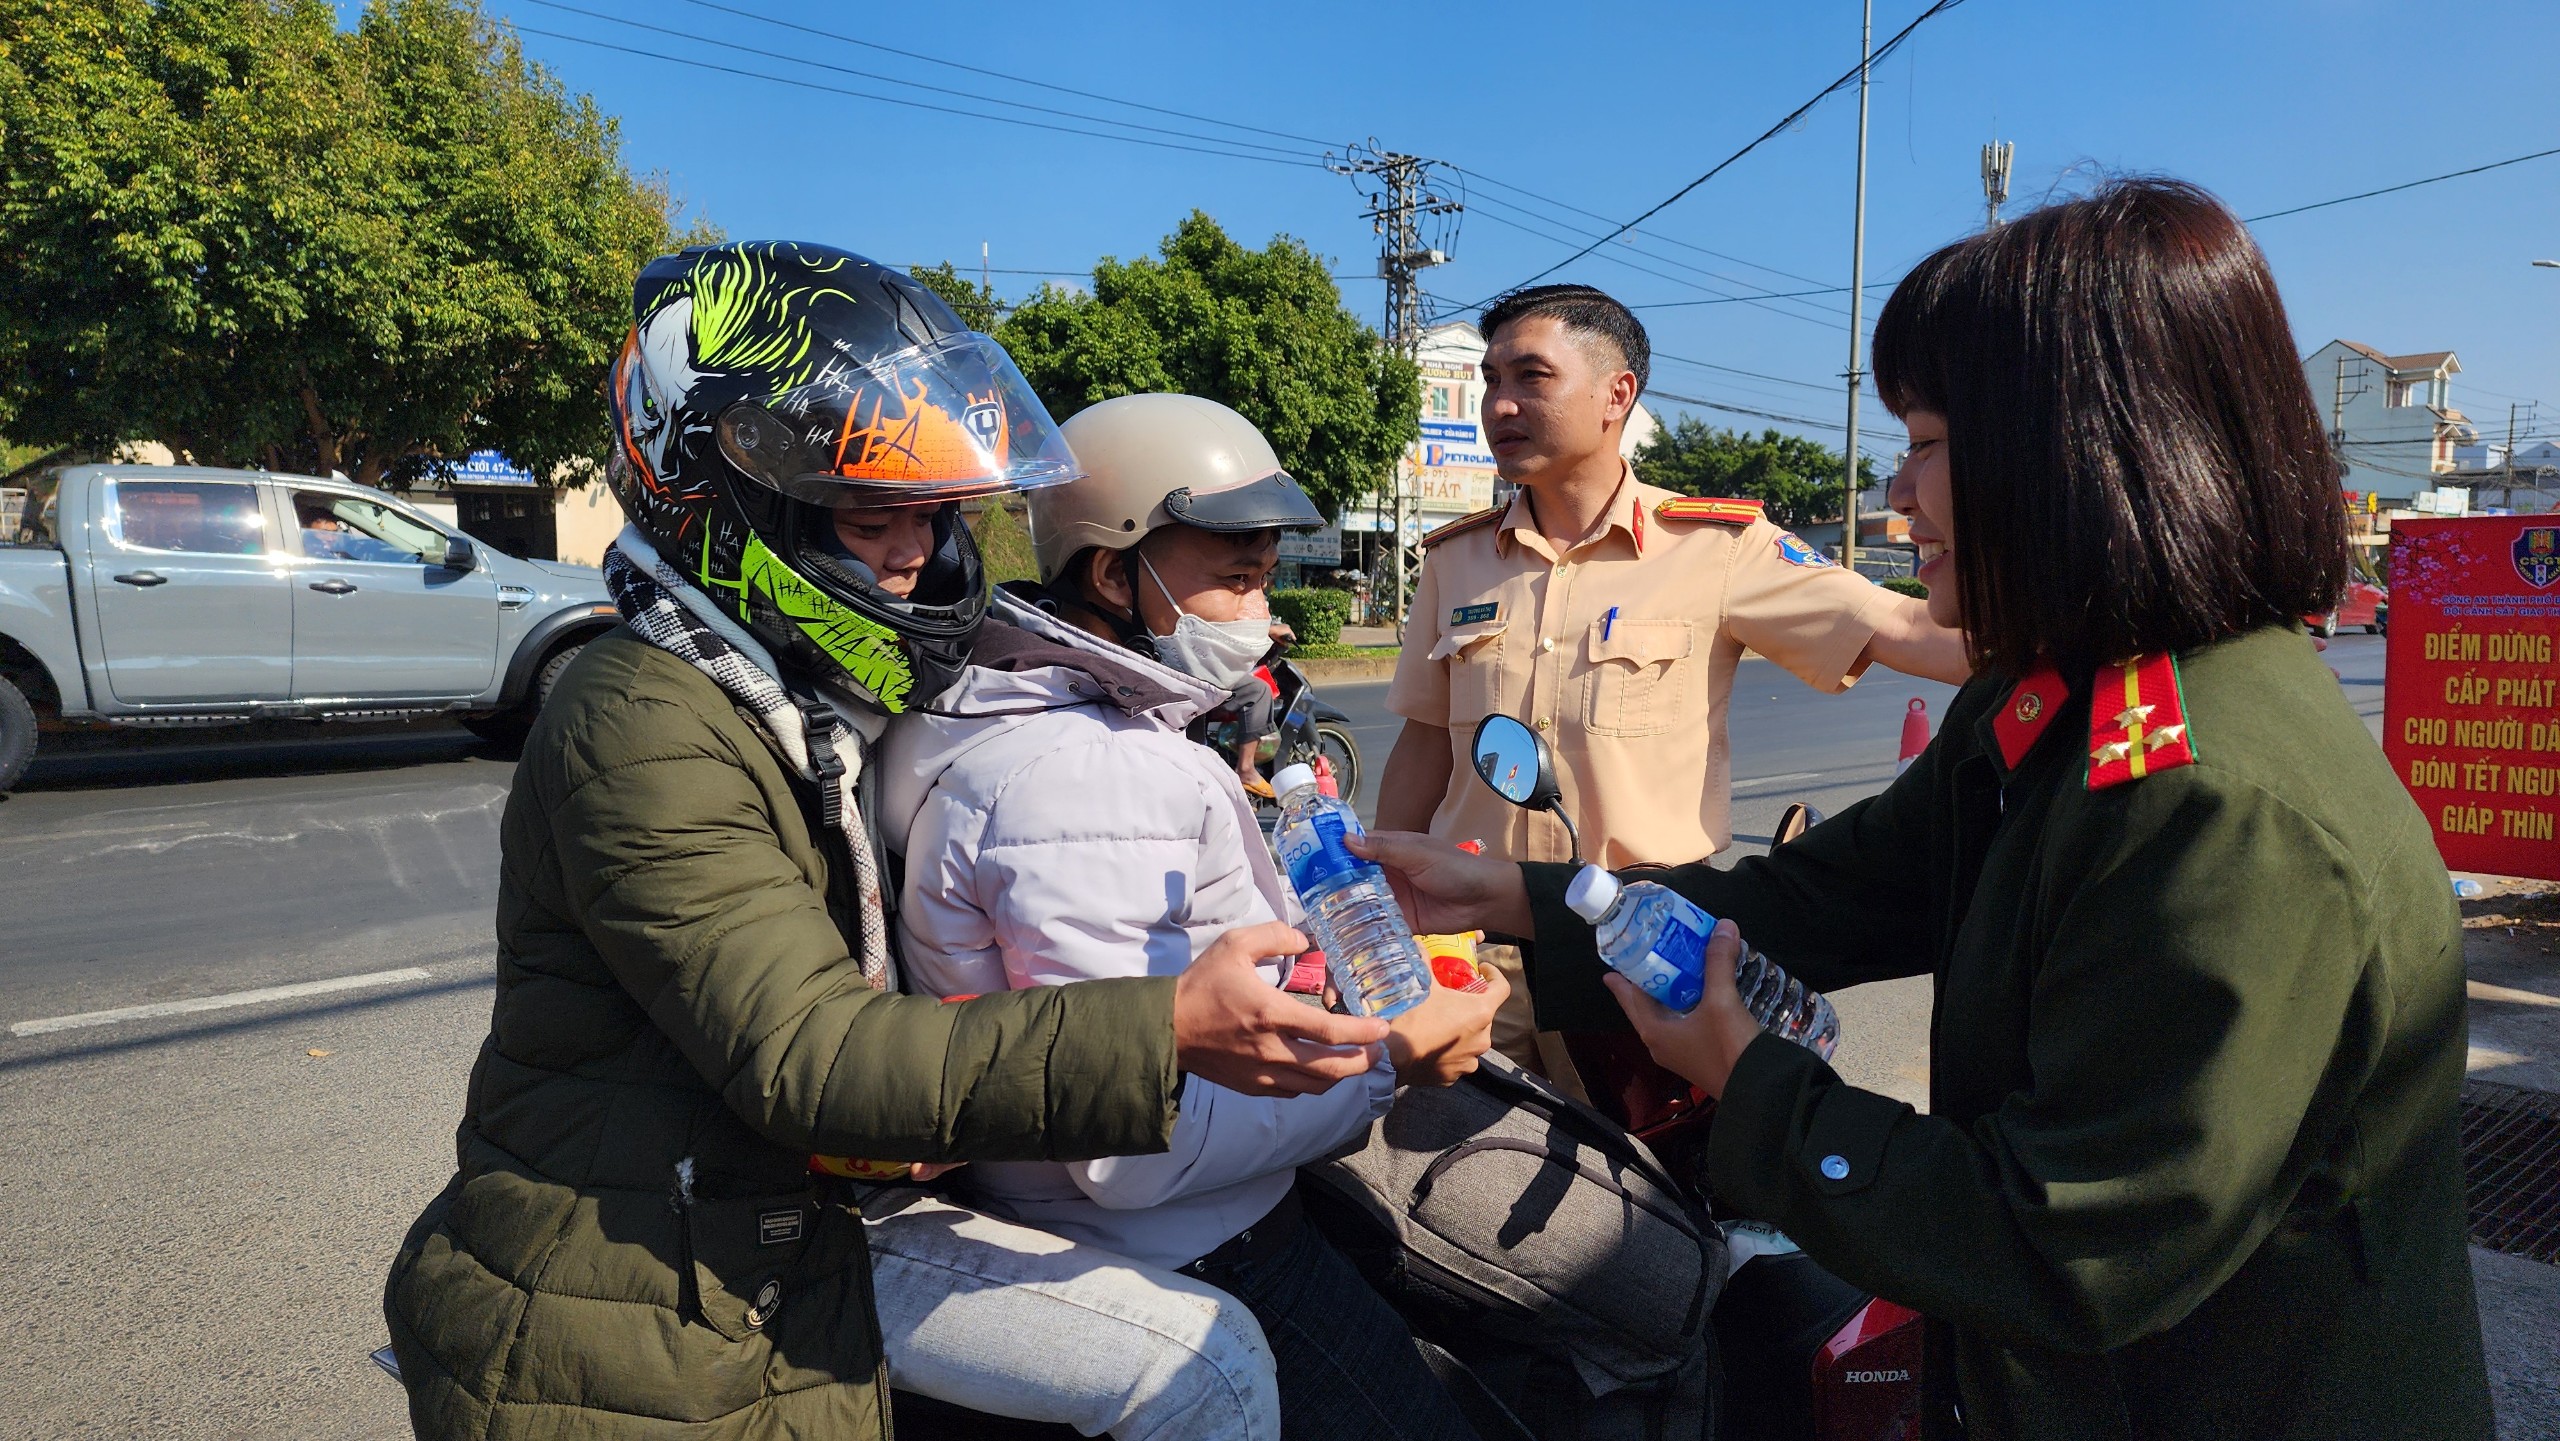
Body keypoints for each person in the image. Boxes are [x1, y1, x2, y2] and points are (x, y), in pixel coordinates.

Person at [1354, 181, 2494, 1439]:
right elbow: (1823, 894)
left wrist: (1752, 1086)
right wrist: (1517, 896)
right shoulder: (2056, 696)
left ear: (2083, 448)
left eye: (1929, 443)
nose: (1897, 495)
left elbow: (2063, 1244)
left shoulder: (2217, 801)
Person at [382, 242, 1393, 1441]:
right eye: (874, 518)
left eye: (936, 517)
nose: (919, 559)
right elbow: (813, 1059)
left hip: (793, 1198)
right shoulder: (644, 719)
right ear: (721, 503)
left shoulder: (796, 693)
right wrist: (1165, 1028)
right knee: (1207, 1369)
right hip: (659, 1264)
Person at [876, 391, 1500, 1440]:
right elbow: (1135, 1144)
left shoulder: (1031, 715)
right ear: (1116, 571)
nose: (1265, 616)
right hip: (1197, 1247)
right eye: (1237, 577)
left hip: (1179, 1220)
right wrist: (1393, 1055)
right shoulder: (1088, 774)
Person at [1375, 283, 1969, 1086]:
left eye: (1531, 377)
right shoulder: (1456, 558)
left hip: (1642, 950)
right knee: (1447, 1176)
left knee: (1649, 1196)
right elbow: (1422, 742)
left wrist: (2103, 641)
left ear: (1617, 393)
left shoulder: (1715, 547)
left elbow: (1908, 631)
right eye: (1490, 380)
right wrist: (1388, 908)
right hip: (1476, 955)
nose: (1500, 404)